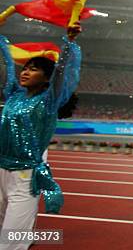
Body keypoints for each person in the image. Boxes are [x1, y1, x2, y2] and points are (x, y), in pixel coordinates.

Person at [0, 22, 82, 250]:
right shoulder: (14, 96)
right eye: (25, 68)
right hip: (0, 171)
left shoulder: (47, 102)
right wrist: (1, 42)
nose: (25, 72)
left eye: (33, 69)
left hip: (25, 177)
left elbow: (62, 74)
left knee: (9, 244)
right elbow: (6, 65)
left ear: (46, 78)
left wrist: (69, 44)